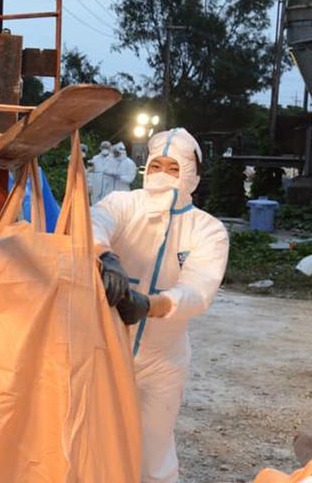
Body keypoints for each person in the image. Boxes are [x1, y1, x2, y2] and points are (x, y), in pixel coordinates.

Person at [91, 128, 229, 483]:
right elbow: (93, 223)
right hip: (106, 347)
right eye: (156, 166)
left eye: (173, 168)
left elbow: (197, 290)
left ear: (192, 176)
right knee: (94, 442)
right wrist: (106, 256)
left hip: (162, 359)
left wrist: (150, 305)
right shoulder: (123, 204)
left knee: (153, 450)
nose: (162, 175)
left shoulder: (207, 230)